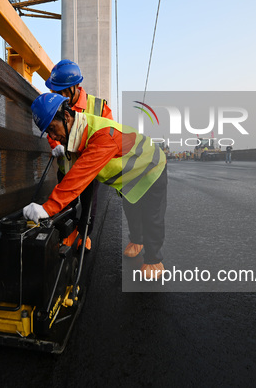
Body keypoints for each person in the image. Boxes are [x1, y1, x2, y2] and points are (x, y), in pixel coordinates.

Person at [24, 93, 168, 279]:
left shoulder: (102, 136)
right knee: (131, 209)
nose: (53, 136)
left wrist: (47, 208)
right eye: (48, 132)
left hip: (150, 167)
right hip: (130, 175)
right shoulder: (76, 135)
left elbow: (79, 175)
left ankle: (154, 259)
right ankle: (137, 241)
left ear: (67, 117)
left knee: (151, 215)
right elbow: (75, 180)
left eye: (53, 128)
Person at [45, 60, 113, 248]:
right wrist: (55, 144)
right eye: (56, 92)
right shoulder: (56, 104)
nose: (60, 96)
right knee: (67, 205)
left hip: (89, 171)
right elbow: (51, 129)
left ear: (76, 86)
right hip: (66, 169)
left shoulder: (98, 107)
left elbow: (108, 136)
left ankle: (84, 235)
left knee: (88, 207)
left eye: (64, 91)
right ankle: (68, 233)